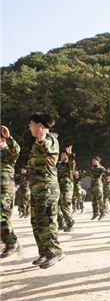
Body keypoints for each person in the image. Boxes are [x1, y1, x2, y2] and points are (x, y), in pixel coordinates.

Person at [27, 113, 65, 268]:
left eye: (31, 124)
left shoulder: (50, 140)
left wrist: (42, 140)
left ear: (40, 126)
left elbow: (49, 153)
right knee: (37, 222)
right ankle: (44, 253)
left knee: (47, 222)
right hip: (37, 189)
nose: (29, 127)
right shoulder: (37, 142)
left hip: (47, 189)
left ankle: (55, 252)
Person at [0, 125, 22, 259]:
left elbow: (16, 150)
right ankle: (8, 242)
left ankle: (12, 243)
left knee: (2, 217)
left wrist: (9, 137)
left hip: (5, 190)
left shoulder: (7, 152)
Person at [57, 145, 76, 232]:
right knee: (56, 207)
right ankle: (61, 224)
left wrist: (70, 154)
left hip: (67, 189)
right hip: (58, 188)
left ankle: (70, 223)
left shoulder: (69, 165)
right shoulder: (59, 165)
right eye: (61, 155)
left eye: (64, 155)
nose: (62, 156)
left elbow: (72, 162)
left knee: (65, 207)